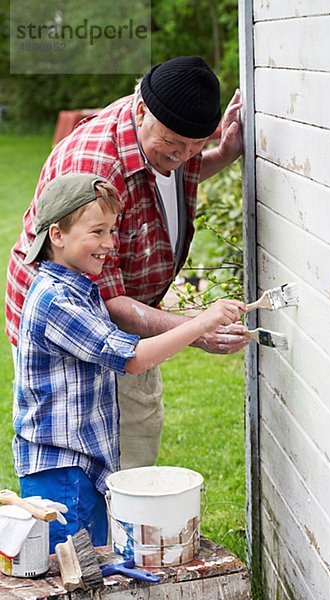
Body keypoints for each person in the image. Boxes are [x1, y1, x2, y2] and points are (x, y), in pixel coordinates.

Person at [6, 55, 249, 470]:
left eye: (196, 146)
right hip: (70, 323)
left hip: (120, 310)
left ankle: (118, 522)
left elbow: (173, 164)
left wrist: (220, 155)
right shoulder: (94, 169)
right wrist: (197, 330)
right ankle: (111, 527)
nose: (185, 156)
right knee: (87, 453)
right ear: (141, 111)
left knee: (131, 430)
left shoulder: (162, 130)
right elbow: (108, 302)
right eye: (175, 146)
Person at [13, 173, 245, 553]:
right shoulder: (56, 301)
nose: (109, 244)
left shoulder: (79, 287)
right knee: (68, 574)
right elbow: (133, 359)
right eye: (97, 232)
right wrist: (201, 323)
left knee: (92, 567)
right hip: (60, 472)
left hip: (82, 466)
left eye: (112, 231)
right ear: (57, 235)